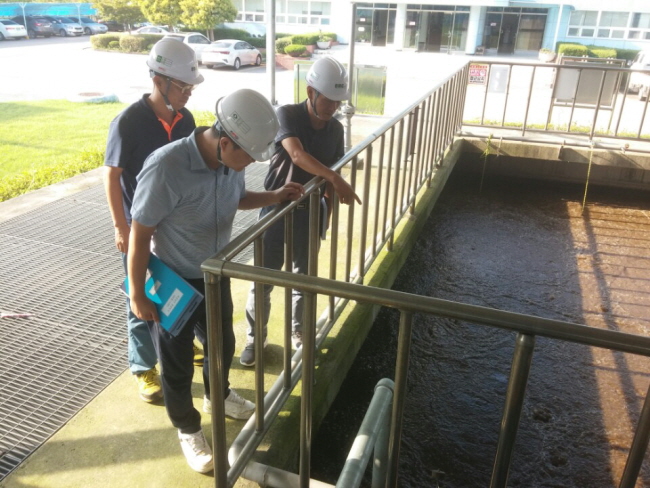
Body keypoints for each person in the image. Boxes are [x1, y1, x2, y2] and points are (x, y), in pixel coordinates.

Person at [127, 88, 304, 473]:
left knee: (222, 344)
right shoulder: (166, 167)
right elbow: (139, 234)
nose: (248, 164)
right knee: (176, 363)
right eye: (247, 157)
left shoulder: (229, 162)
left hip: (214, 274)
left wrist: (275, 195)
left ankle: (218, 396)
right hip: (173, 280)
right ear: (224, 142)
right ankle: (188, 429)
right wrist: (138, 293)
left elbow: (236, 199)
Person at [240, 57, 361, 367]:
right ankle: (255, 337)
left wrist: (327, 217)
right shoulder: (287, 115)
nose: (333, 106)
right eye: (328, 99)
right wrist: (336, 178)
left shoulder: (335, 129)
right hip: (275, 209)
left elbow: (331, 175)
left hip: (310, 212)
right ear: (310, 92)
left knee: (303, 280)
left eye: (337, 101)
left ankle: (300, 333)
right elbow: (296, 154)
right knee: (262, 280)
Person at [104, 38, 204, 403]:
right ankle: (143, 366)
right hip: (140, 229)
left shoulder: (186, 120)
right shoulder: (128, 123)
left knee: (179, 291)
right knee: (142, 297)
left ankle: (180, 342)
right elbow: (112, 175)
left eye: (191, 87)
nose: (188, 93)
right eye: (183, 87)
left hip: (175, 227)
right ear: (158, 80)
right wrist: (121, 226)